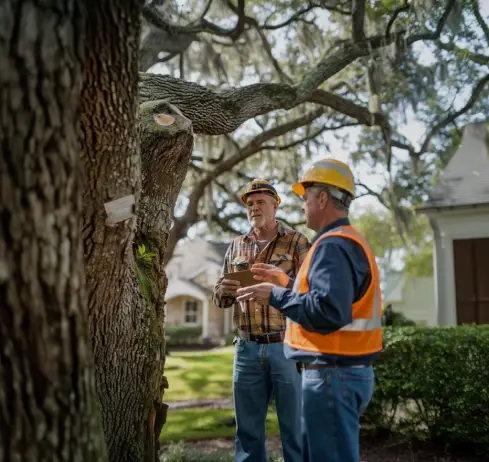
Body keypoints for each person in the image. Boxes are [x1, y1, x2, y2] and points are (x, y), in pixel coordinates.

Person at [236, 159, 383, 462]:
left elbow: (328, 312)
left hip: (333, 375)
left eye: (305, 198)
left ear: (323, 198)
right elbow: (329, 300)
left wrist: (275, 295)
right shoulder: (344, 241)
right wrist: (287, 285)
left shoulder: (332, 245)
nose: (303, 206)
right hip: (342, 373)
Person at [213, 179, 310, 462]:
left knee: (294, 428)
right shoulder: (236, 246)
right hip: (246, 349)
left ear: (275, 205)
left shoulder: (297, 242)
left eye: (260, 202)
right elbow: (219, 299)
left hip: (286, 347)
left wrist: (283, 283)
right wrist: (224, 290)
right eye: (250, 204)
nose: (254, 208)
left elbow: (311, 292)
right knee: (248, 432)